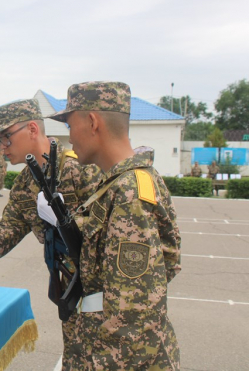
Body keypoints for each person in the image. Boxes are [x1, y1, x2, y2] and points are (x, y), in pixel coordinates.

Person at [0, 98, 100, 366]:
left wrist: (70, 223)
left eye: (6, 138)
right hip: (69, 293)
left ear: (32, 129)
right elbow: (7, 230)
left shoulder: (81, 169)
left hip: (103, 295)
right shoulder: (26, 183)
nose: (2, 147)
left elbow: (111, 232)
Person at [45, 81, 182, 369]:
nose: (69, 138)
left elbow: (132, 318)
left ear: (92, 122)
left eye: (70, 125)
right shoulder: (116, 185)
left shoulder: (130, 192)